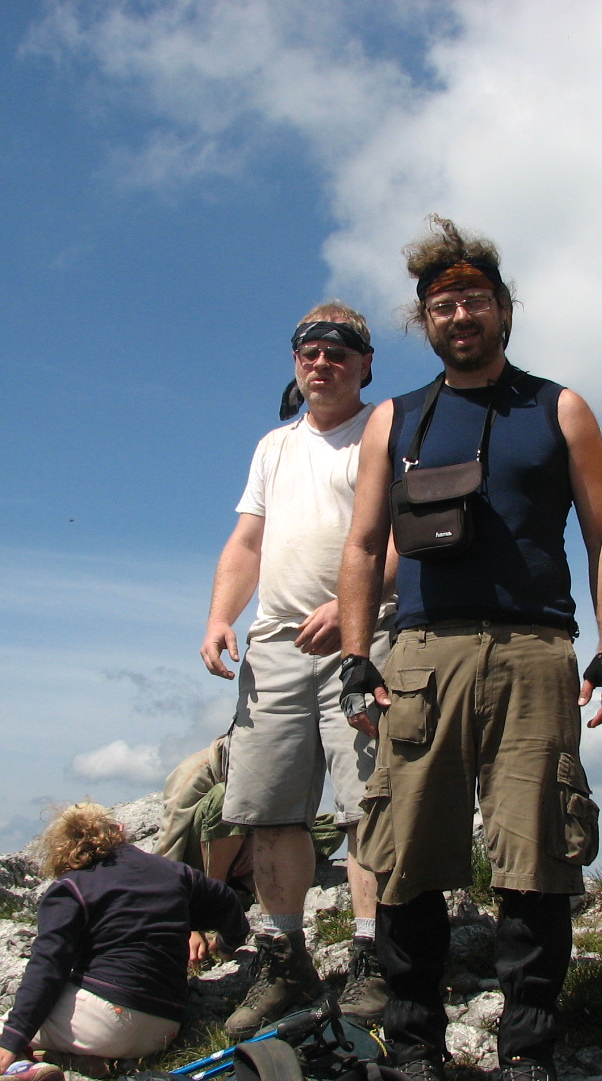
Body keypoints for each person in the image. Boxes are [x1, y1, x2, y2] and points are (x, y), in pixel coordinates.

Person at [335, 217, 602, 1081]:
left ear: (505, 309)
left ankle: (529, 1054)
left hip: (538, 651)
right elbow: (363, 544)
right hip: (422, 653)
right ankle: (416, 1051)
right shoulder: (396, 418)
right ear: (424, 322)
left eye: (474, 300)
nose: (460, 315)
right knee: (408, 857)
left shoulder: (560, 408)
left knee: (536, 856)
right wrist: (357, 657)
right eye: (442, 305)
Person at [199, 301, 398, 1039]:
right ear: (295, 362)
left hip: (366, 638)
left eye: (339, 351)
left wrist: (353, 604)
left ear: (366, 363)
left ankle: (375, 956)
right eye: (309, 351)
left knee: (368, 804)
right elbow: (247, 541)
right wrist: (220, 616)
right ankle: (284, 958)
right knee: (270, 810)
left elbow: (406, 536)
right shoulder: (273, 448)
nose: (323, 362)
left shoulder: (387, 432)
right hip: (275, 645)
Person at [0, 803, 248, 1081]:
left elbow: (47, 968)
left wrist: (13, 1036)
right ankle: (80, 1061)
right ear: (119, 831)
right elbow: (227, 903)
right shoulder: (173, 872)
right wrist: (225, 945)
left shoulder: (72, 889)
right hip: (164, 1026)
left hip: (106, 1015)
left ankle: (18, 1070)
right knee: (78, 1025)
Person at [157, 732, 346, 893]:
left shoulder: (267, 766)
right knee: (225, 796)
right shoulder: (191, 776)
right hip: (199, 861)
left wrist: (255, 841)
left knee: (333, 825)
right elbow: (169, 842)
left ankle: (243, 886)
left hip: (248, 845)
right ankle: (214, 893)